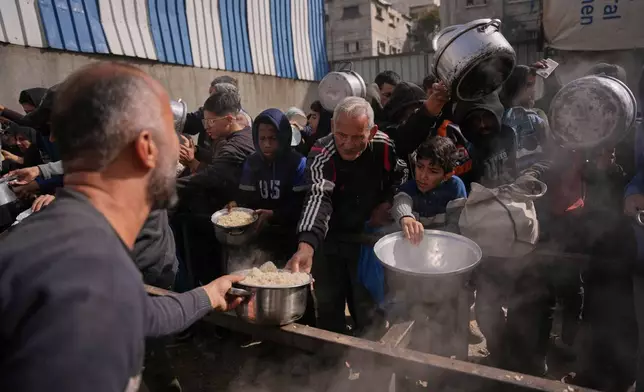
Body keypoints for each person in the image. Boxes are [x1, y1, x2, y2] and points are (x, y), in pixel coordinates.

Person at [0, 62, 244, 392]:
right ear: (146, 148)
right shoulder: (86, 272)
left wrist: (208, 295)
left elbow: (139, 312)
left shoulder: (90, 248)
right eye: (173, 133)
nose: (183, 147)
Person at [286, 97, 407, 335]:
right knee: (329, 307)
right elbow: (318, 196)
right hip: (329, 240)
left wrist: (388, 202)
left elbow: (400, 177)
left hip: (367, 241)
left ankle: (371, 364)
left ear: (371, 132)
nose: (348, 144)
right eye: (341, 135)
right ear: (332, 127)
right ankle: (332, 365)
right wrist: (307, 246)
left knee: (367, 308)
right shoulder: (322, 151)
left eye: (357, 137)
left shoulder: (383, 146)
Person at [233, 108, 308, 262]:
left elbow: (302, 205)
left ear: (283, 136)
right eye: (262, 138)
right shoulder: (252, 163)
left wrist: (274, 214)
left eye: (273, 138)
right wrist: (235, 205)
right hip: (259, 237)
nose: (267, 144)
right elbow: (246, 199)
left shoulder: (298, 163)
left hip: (290, 237)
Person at [392, 137, 467, 245]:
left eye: (433, 171)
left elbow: (455, 226)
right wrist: (406, 218)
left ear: (447, 175)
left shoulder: (455, 187)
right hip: (413, 245)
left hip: (443, 247)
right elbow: (401, 201)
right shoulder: (410, 187)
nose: (423, 176)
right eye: (419, 167)